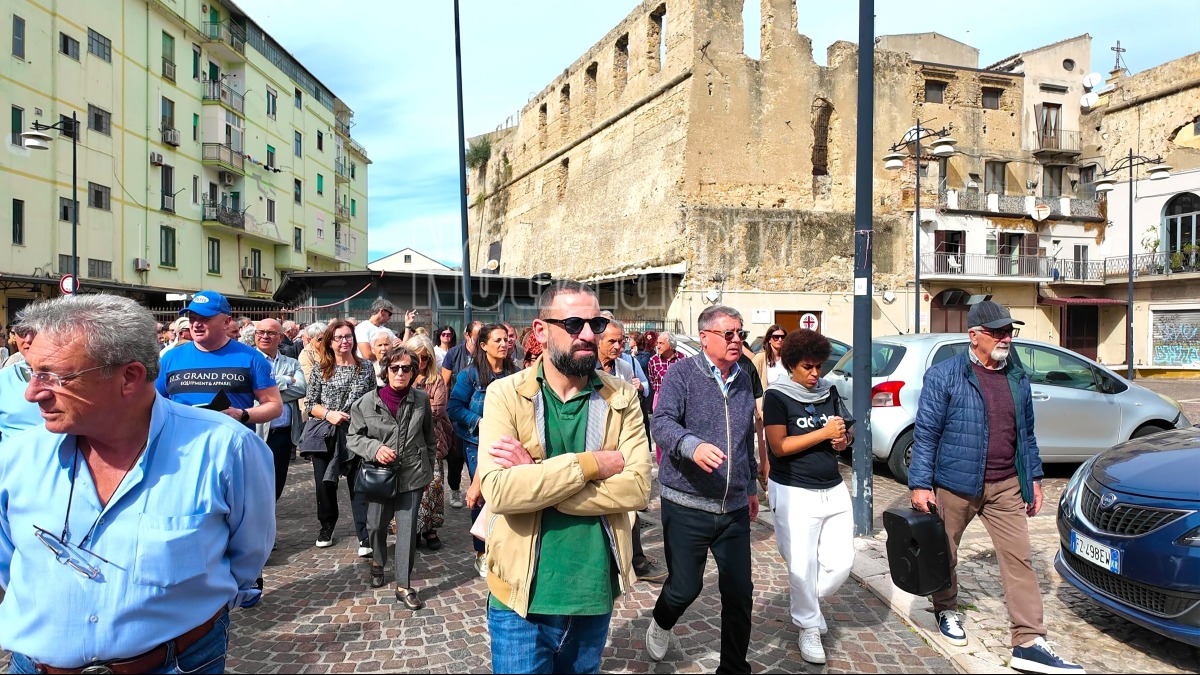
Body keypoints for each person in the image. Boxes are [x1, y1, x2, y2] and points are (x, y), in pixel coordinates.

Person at [0, 294, 273, 674]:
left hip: (176, 664)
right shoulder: (15, 458)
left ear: (129, 377)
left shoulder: (227, 449)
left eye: (54, 377)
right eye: (32, 373)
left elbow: (247, 557)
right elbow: (11, 564)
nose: (32, 394)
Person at [476, 280, 652, 674]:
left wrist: (536, 479)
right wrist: (590, 466)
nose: (588, 334)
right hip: (519, 601)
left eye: (596, 324)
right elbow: (500, 492)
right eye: (573, 324)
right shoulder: (505, 394)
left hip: (593, 593)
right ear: (541, 331)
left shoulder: (622, 397)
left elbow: (638, 487)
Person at [910, 301, 1083, 675]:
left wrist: (1033, 478)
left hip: (1006, 484)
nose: (1006, 338)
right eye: (998, 332)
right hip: (956, 483)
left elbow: (1027, 434)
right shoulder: (945, 375)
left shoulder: (1017, 376)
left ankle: (1028, 641)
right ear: (974, 336)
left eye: (1009, 331)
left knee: (1020, 559)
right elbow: (926, 434)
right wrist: (921, 484)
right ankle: (946, 608)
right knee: (945, 553)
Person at [646, 305, 759, 673]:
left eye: (740, 333)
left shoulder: (744, 377)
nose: (737, 340)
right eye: (729, 334)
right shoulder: (682, 374)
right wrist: (690, 445)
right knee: (685, 587)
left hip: (734, 509)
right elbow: (661, 423)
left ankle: (733, 669)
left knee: (740, 593)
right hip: (686, 504)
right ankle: (662, 620)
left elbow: (745, 439)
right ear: (705, 337)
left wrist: (751, 486)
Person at [762, 329, 854, 665]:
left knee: (841, 563)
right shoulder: (777, 396)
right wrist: (823, 433)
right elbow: (779, 446)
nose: (816, 373)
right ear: (791, 365)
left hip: (833, 486)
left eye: (819, 366)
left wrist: (842, 440)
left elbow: (844, 431)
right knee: (801, 563)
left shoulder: (829, 391)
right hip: (794, 490)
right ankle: (808, 626)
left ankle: (807, 601)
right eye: (808, 367)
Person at [346, 345, 437, 608]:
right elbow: (353, 437)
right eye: (395, 368)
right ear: (386, 370)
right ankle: (378, 560)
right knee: (375, 525)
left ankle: (403, 585)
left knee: (407, 531)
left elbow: (429, 438)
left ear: (413, 372)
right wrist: (375, 449)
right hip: (379, 475)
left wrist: (428, 470)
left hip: (413, 474)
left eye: (406, 368)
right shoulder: (366, 402)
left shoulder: (421, 400)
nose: (400, 373)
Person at [596, 318, 665, 584]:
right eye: (612, 341)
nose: (618, 346)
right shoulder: (586, 368)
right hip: (597, 447)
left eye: (621, 340)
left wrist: (639, 388)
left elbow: (639, 398)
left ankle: (636, 560)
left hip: (623, 445)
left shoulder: (625, 366)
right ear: (598, 342)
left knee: (630, 505)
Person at [449, 323, 518, 577]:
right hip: (477, 443)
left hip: (509, 442)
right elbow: (454, 408)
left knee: (507, 493)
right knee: (482, 493)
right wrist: (480, 422)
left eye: (506, 339)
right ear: (483, 345)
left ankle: (505, 546)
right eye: (497, 340)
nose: (503, 344)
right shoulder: (470, 375)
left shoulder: (515, 373)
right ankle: (482, 551)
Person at [302, 319, 376, 554]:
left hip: (356, 433)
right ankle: (327, 526)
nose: (344, 341)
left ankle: (365, 535)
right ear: (330, 342)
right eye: (339, 337)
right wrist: (329, 414)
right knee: (324, 485)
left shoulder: (366, 368)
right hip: (326, 432)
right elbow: (310, 404)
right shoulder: (321, 369)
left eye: (348, 336)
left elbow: (373, 400)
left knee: (360, 484)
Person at [157, 291, 282, 430]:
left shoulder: (252, 358)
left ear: (226, 322)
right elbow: (153, 401)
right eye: (192, 318)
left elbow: (274, 406)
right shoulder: (170, 358)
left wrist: (241, 414)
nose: (196, 324)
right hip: (183, 441)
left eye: (204, 319)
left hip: (231, 442)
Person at [253, 319, 307, 503]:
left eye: (271, 333)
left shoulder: (292, 363)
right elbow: (251, 391)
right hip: (256, 431)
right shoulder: (248, 360)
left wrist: (265, 392)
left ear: (281, 337)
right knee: (254, 482)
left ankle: (268, 516)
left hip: (283, 434)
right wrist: (287, 380)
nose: (265, 336)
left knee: (277, 482)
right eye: (260, 332)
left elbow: (301, 389)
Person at [407, 334, 452, 550]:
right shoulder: (402, 375)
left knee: (434, 485)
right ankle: (413, 527)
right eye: (417, 357)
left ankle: (430, 528)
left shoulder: (436, 379)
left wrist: (414, 412)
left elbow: (437, 410)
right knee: (410, 484)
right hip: (407, 442)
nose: (421, 362)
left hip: (432, 440)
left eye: (425, 357)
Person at [441, 319, 483, 509]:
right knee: (456, 456)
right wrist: (446, 413)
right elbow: (445, 383)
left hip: (478, 414)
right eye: (477, 336)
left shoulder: (485, 353)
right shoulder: (454, 353)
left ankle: (478, 491)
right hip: (458, 412)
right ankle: (455, 488)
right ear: (467, 336)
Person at [647, 331, 685, 463]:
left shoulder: (682, 359)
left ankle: (677, 457)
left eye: (661, 343)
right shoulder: (653, 361)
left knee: (678, 427)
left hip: (679, 398)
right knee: (660, 428)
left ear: (670, 345)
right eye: (657, 343)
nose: (657, 346)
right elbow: (652, 379)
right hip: (659, 398)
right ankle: (661, 460)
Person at [0, 323, 42, 441]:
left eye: (36, 330)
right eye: (21, 331)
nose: (28, 339)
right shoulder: (4, 377)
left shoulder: (79, 374)